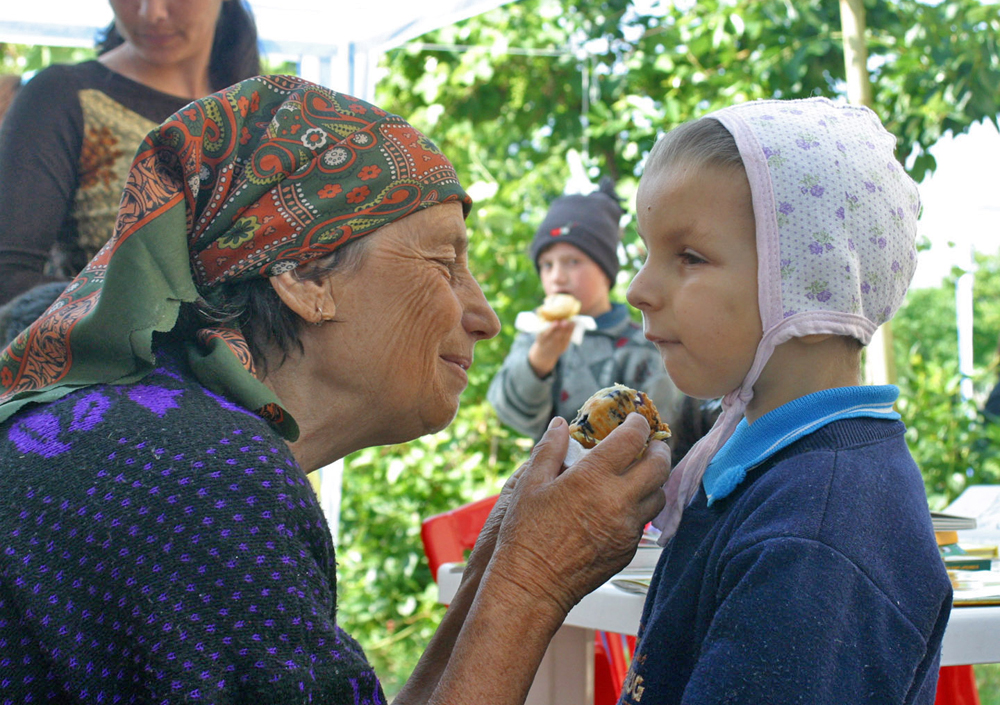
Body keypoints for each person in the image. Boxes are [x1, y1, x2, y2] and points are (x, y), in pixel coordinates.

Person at [0, 76, 671, 704]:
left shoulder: (160, 431)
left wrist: (501, 563)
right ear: (304, 275)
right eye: (445, 263)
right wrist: (533, 579)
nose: (486, 318)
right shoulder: (203, 477)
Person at [621, 97, 952, 704]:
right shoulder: (774, 469)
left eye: (688, 257)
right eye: (647, 253)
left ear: (812, 289)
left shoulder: (815, 535)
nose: (638, 288)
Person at [0, 0, 260, 305]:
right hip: (101, 335)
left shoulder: (262, 112)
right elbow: (10, 277)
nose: (152, 13)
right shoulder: (62, 96)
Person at [488, 178, 682, 442]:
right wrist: (539, 362)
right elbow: (510, 413)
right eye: (547, 265)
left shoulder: (643, 345)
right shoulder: (536, 337)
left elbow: (664, 430)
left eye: (572, 262)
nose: (557, 277)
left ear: (605, 271)